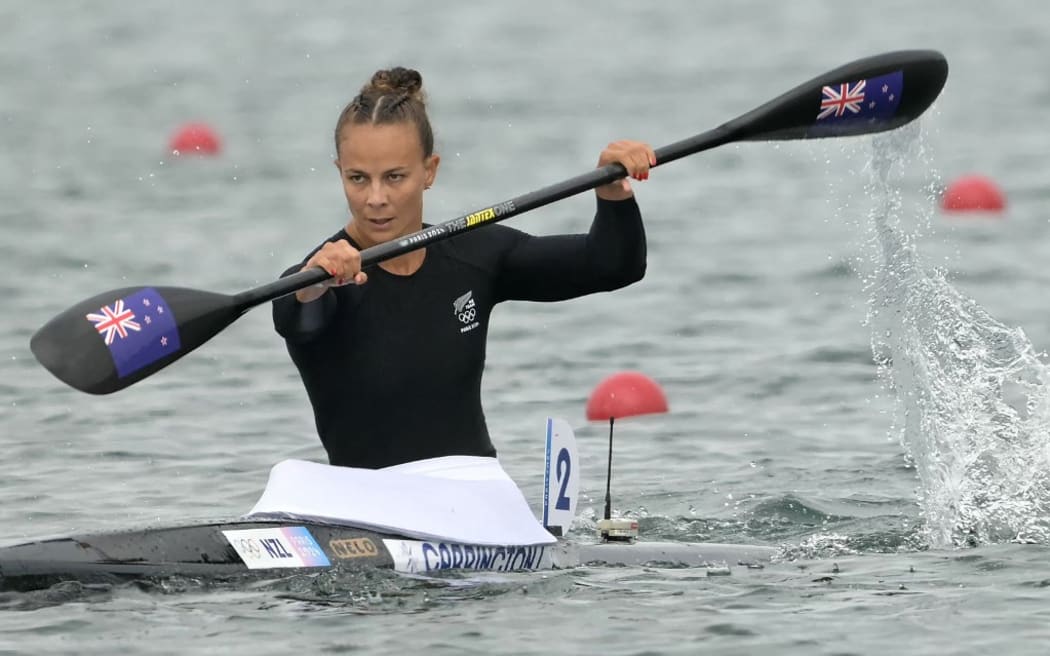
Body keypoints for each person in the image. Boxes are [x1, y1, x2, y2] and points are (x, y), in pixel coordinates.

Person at [273, 67, 654, 469]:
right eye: (358, 178)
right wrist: (313, 283)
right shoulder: (320, 277)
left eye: (395, 177)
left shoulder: (472, 255)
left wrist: (613, 194)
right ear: (340, 173)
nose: (376, 198)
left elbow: (613, 265)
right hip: (370, 510)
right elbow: (297, 314)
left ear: (429, 171)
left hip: (474, 497)